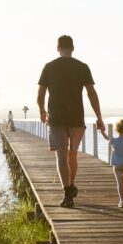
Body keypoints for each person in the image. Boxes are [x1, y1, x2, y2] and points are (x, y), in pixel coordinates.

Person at [37, 35, 106, 208]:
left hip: (56, 117)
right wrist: (99, 117)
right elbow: (92, 94)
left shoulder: (49, 67)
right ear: (73, 48)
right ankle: (71, 186)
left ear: (58, 48)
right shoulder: (82, 67)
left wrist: (42, 110)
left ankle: (68, 192)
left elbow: (40, 94)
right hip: (76, 118)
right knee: (72, 153)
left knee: (61, 155)